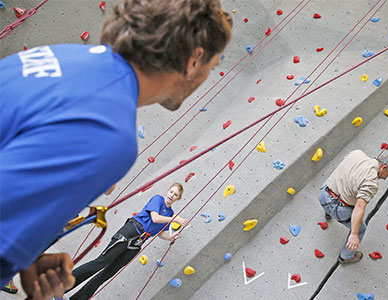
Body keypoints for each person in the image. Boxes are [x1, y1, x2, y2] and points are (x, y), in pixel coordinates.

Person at [0, 0, 232, 299]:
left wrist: (28, 255)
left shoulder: (66, 55)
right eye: (211, 67)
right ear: (194, 60)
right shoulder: (111, 133)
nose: (205, 78)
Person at [67, 183, 188, 300]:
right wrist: (175, 219)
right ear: (168, 191)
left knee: (108, 273)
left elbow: (159, 232)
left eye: (176, 195)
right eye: (171, 192)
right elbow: (155, 218)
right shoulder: (158, 199)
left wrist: (169, 237)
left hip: (138, 243)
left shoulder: (170, 214)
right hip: (130, 232)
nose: (172, 195)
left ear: (179, 198)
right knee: (100, 262)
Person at [319, 150, 388, 263]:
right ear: (384, 167)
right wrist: (354, 234)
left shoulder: (357, 153)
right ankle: (345, 256)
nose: (385, 178)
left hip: (324, 194)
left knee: (341, 179)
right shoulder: (372, 183)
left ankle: (328, 213)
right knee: (361, 229)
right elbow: (360, 206)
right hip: (338, 209)